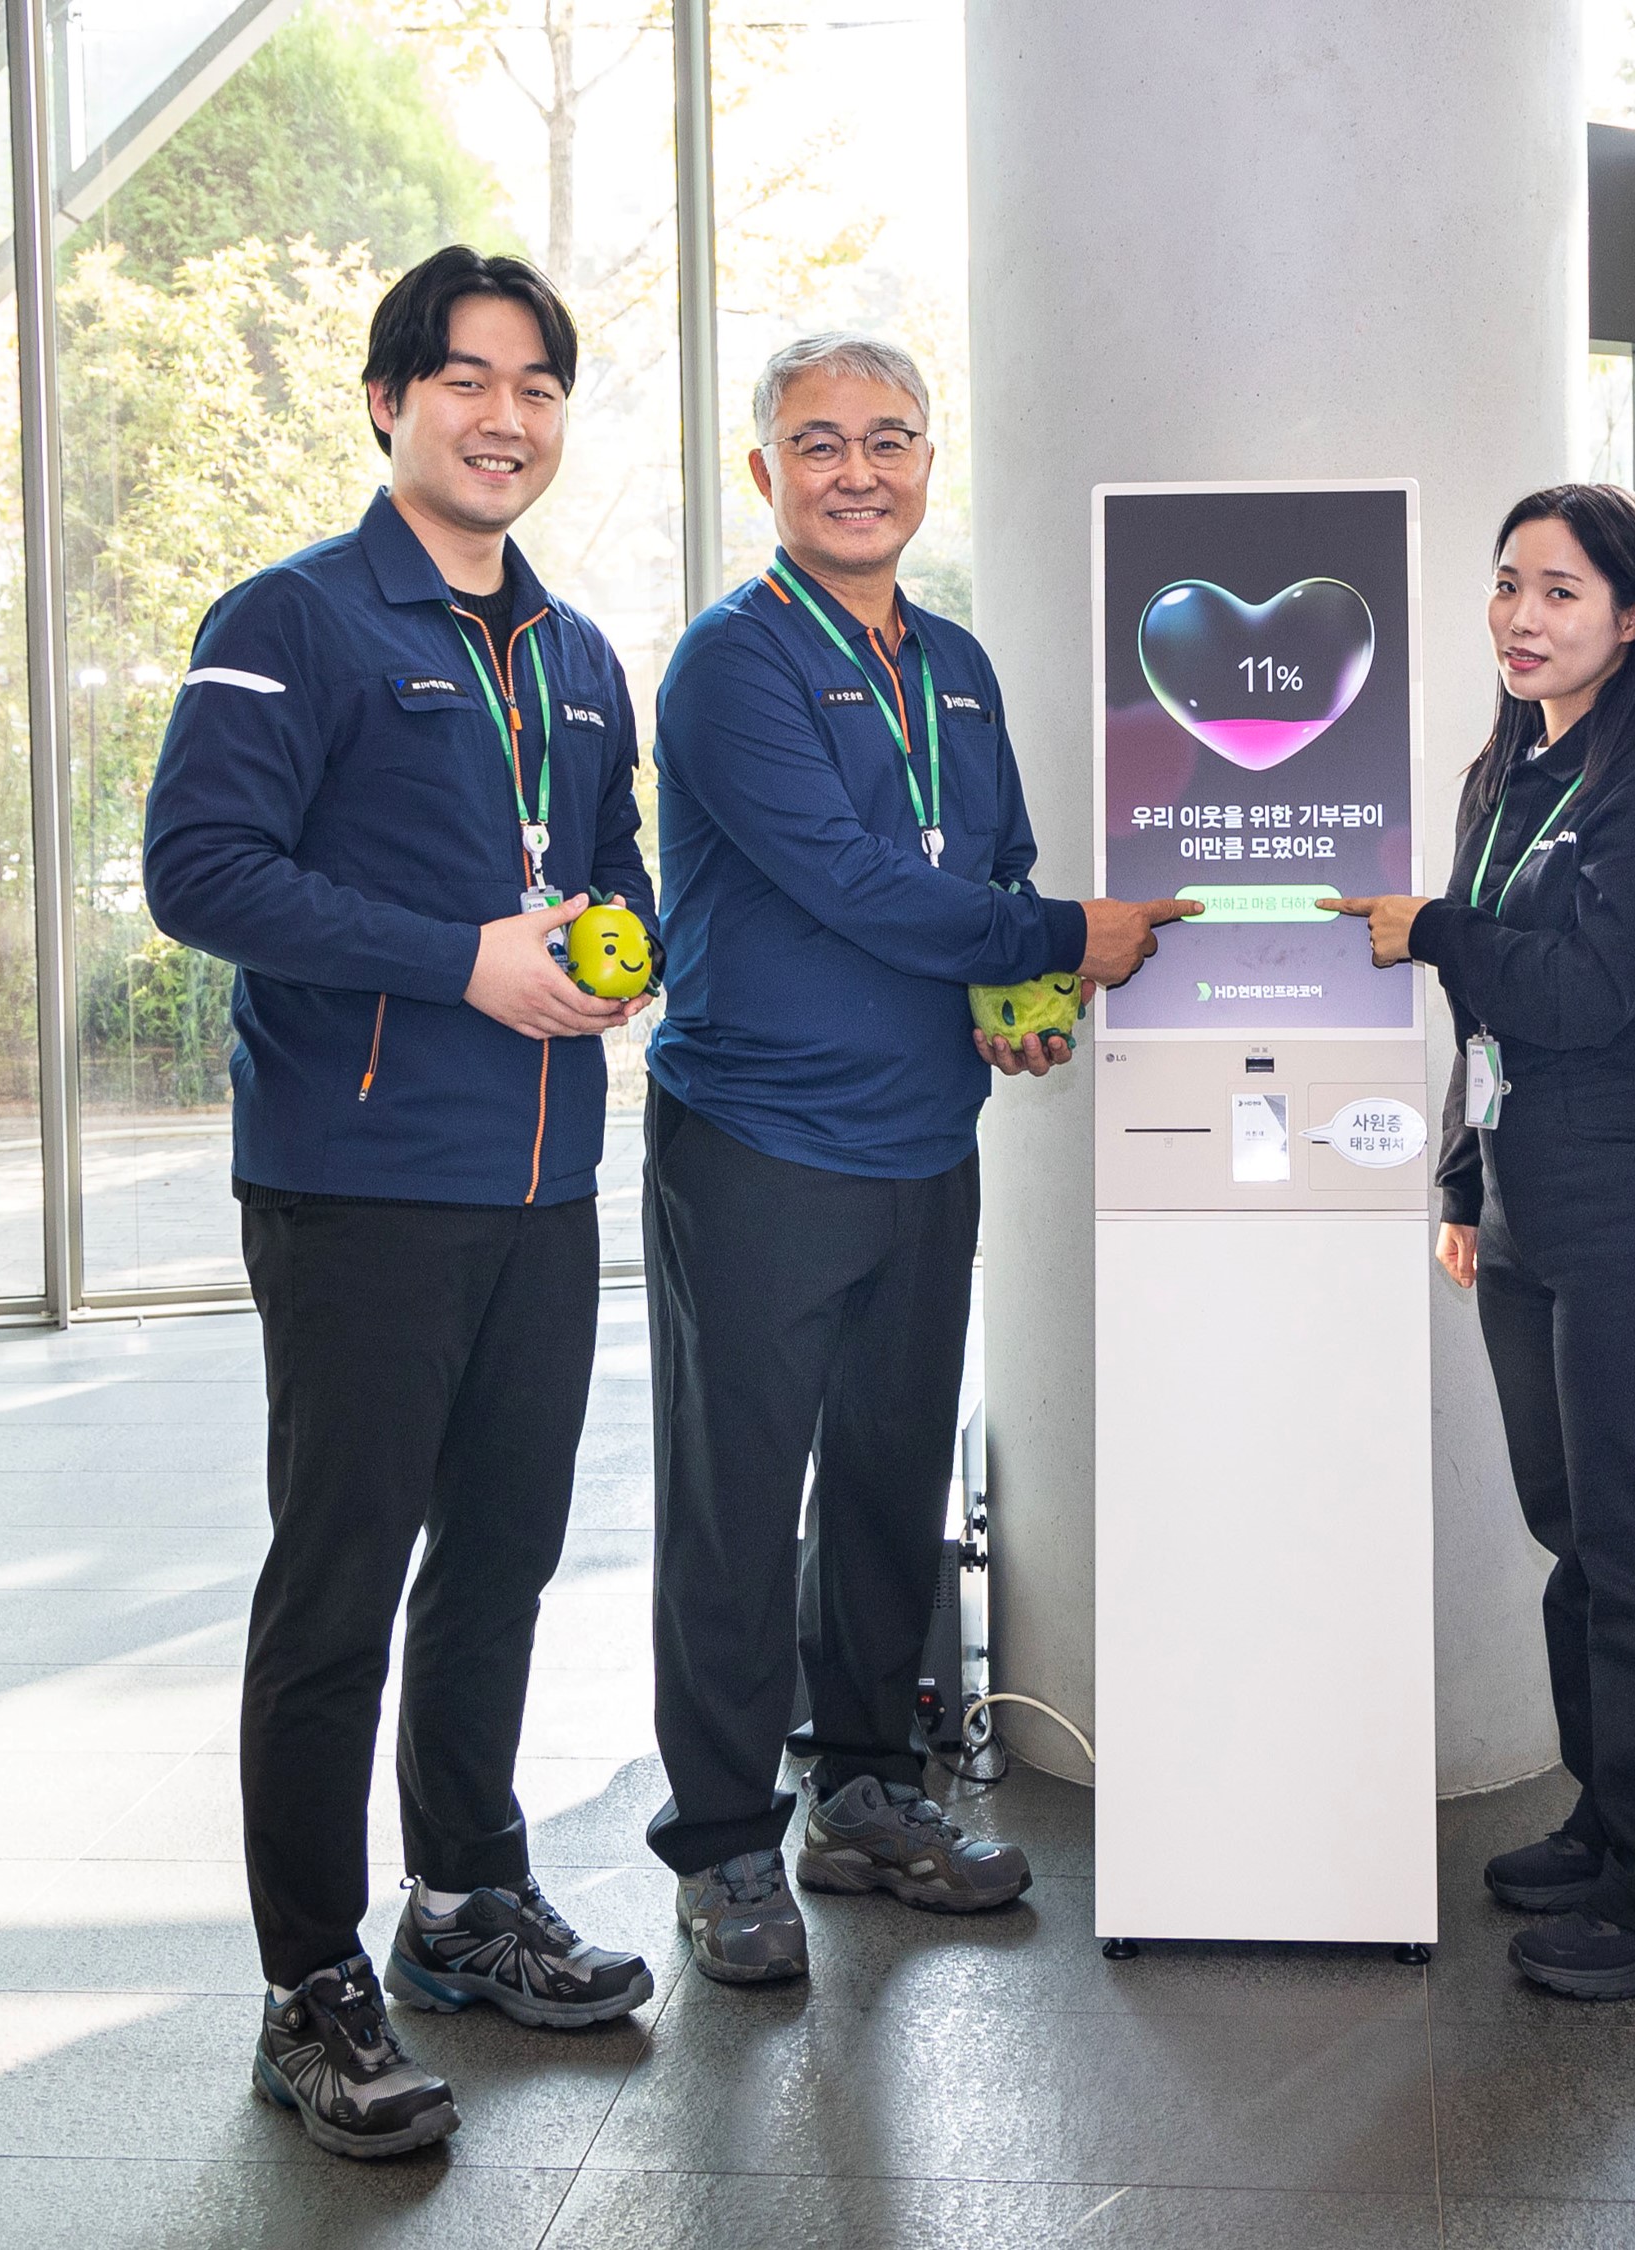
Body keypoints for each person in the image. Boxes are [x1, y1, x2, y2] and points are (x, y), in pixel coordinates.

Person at [144, 245, 661, 2162]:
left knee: (502, 1557)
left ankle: (462, 1899)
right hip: (356, 1185)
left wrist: (620, 950)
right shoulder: (291, 619)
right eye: (466, 380)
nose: (504, 417)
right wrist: (461, 960)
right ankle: (310, 1984)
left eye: (537, 387)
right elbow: (198, 870)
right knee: (341, 1582)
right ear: (388, 402)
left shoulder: (582, 658)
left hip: (541, 1185)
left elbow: (619, 869)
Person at [642, 332, 1195, 1985]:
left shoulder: (952, 660)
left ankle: (869, 1791)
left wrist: (1018, 999)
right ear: (765, 472)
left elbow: (993, 861)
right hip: (758, 1143)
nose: (858, 470)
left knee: (889, 1477)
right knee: (739, 1502)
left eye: (889, 438)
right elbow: (851, 880)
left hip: (920, 1142)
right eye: (819, 443)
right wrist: (1068, 937)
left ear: (928, 463)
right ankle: (723, 1839)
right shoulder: (731, 664)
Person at [1320, 483, 1635, 2001]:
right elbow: (1491, 1026)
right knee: (1577, 1528)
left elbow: (1586, 992)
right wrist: (1460, 1181)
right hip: (1526, 1191)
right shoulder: (1506, 772)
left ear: (1632, 616)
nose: (1522, 616)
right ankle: (1617, 1820)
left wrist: (1435, 926)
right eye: (1509, 585)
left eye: (1561, 591)